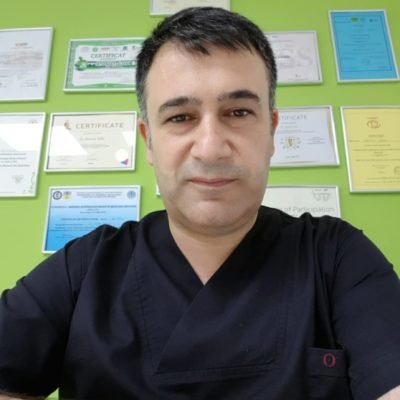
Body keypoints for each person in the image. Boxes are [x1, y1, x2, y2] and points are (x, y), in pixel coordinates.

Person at [1, 6, 400, 400]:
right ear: (149, 141)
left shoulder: (336, 257)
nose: (210, 148)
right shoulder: (87, 267)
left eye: (238, 112)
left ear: (272, 130)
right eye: (180, 117)